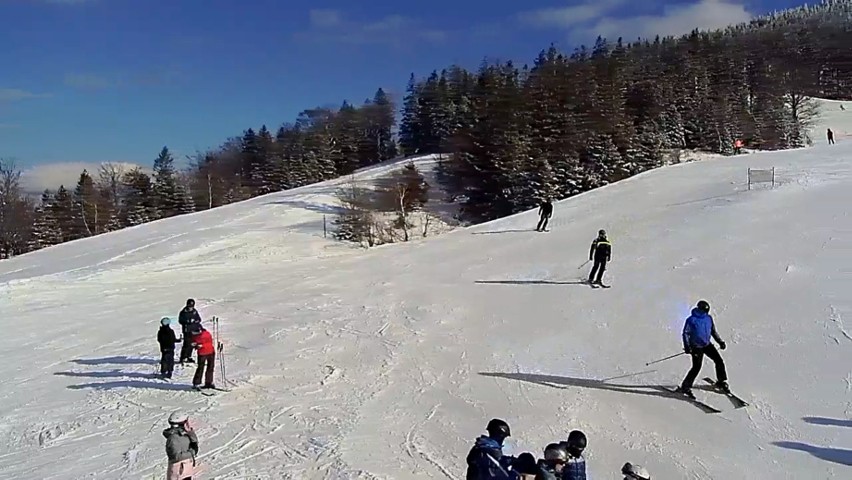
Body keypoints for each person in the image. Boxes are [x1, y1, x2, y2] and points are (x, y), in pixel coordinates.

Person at [678, 300, 729, 399]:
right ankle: (685, 386)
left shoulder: (708, 318)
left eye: (707, 311)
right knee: (696, 367)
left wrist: (720, 342)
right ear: (699, 309)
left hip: (707, 344)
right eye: (704, 311)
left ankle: (721, 381)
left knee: (719, 360)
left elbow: (713, 331)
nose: (705, 313)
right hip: (696, 347)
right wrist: (687, 346)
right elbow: (686, 333)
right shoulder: (691, 320)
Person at [163, 411, 198, 480]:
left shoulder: (184, 434)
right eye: (186, 422)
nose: (188, 423)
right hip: (179, 473)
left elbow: (194, 441)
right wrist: (192, 452)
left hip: (185, 470)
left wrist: (190, 432)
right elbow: (176, 456)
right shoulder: (173, 439)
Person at [190, 323, 216, 389]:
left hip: (210, 352)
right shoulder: (194, 335)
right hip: (201, 353)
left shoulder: (206, 334)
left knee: (210, 367)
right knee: (200, 368)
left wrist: (202, 345)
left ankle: (209, 382)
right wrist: (194, 344)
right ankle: (196, 383)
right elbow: (193, 340)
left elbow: (209, 343)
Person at [178, 299, 202, 363]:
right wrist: (187, 322)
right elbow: (180, 320)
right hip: (187, 330)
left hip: (193, 330)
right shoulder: (183, 312)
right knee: (186, 344)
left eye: (192, 306)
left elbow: (199, 319)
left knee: (192, 344)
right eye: (189, 306)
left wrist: (195, 321)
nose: (190, 308)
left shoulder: (194, 311)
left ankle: (189, 356)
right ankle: (183, 357)